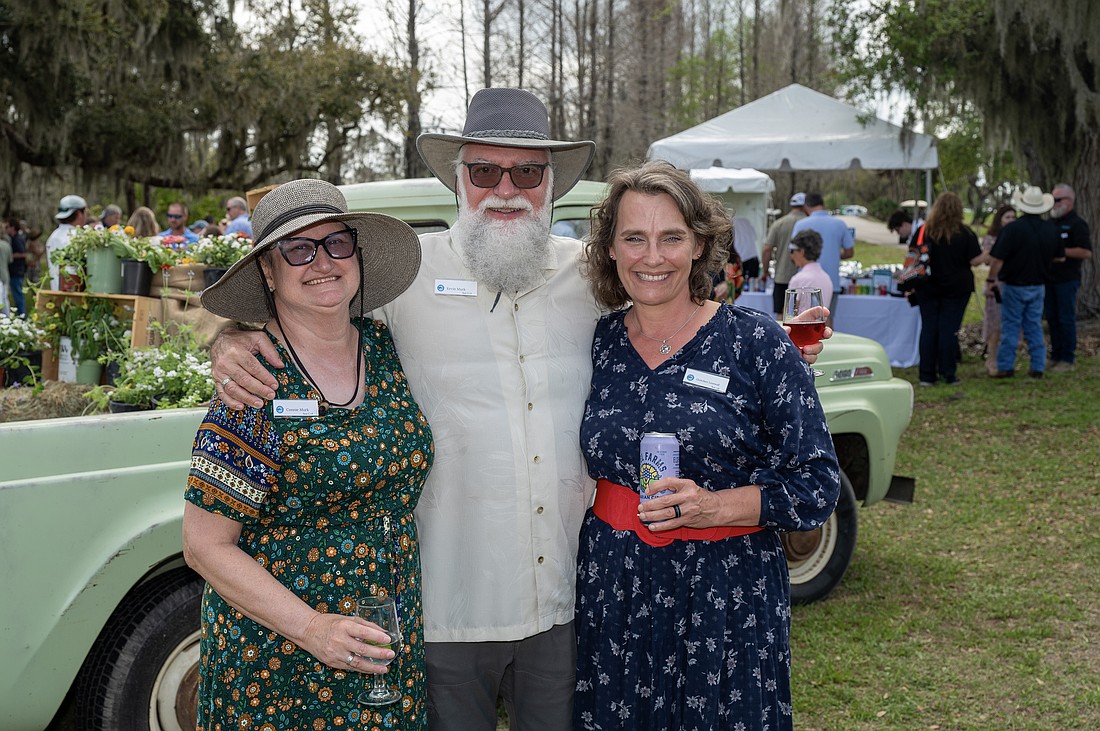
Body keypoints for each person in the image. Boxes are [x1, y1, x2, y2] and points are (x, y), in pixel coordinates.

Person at [208, 88, 829, 730]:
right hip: (449, 605)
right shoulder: (401, 276)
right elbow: (308, 295)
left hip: (563, 605)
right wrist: (230, 339)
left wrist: (774, 347)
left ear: (551, 185)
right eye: (484, 171)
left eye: (527, 172)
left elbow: (681, 320)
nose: (506, 189)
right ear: (458, 181)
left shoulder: (592, 277)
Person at [575, 161, 840, 731]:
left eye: (671, 237)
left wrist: (711, 506)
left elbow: (817, 485)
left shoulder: (755, 340)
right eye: (634, 238)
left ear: (699, 244)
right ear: (611, 249)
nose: (653, 257)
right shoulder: (595, 343)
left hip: (726, 594)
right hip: (615, 590)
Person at [182, 178, 430, 729]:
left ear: (357, 254)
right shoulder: (254, 381)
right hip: (280, 660)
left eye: (337, 243)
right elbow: (204, 547)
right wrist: (312, 628)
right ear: (267, 271)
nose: (322, 261)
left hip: (385, 637)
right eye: (298, 249)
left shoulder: (385, 349)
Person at [988, 186, 1065, 378]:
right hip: (1038, 284)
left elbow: (997, 258)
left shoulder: (1012, 229)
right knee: (1034, 326)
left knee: (1011, 326)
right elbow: (1060, 257)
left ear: (1023, 206)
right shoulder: (1051, 229)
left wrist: (991, 279)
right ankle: (1038, 365)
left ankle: (1006, 366)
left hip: (1014, 284)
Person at [914, 192, 983, 386]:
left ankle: (926, 374)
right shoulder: (965, 233)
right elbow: (975, 260)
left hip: (927, 286)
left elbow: (913, 256)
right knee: (949, 330)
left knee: (928, 329)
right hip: (956, 288)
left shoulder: (924, 231)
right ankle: (948, 372)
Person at [1045, 183, 1092, 371]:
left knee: (1066, 318)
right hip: (1048, 278)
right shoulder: (1048, 224)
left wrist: (1061, 252)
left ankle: (1067, 358)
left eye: (1057, 200)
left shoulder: (1077, 224)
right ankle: (1055, 354)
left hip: (1067, 279)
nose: (1054, 204)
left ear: (1069, 201)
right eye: (1052, 200)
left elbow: (1086, 252)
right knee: (1051, 318)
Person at [790, 192, 854, 318]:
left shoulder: (800, 224)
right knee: (826, 320)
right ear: (823, 204)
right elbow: (849, 252)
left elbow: (792, 252)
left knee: (800, 317)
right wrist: (835, 255)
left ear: (806, 207)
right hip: (831, 280)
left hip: (804, 282)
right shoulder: (839, 224)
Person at [979, 205, 1016, 375]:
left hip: (1013, 282)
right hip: (996, 284)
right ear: (999, 219)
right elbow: (987, 260)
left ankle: (1006, 359)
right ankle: (991, 359)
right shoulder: (992, 237)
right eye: (1007, 217)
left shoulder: (1018, 235)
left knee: (1009, 324)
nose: (1010, 220)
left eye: (1013, 217)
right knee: (995, 323)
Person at [760, 192, 807, 314]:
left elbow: (767, 249)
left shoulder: (779, 224)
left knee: (782, 313)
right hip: (805, 277)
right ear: (805, 206)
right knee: (803, 313)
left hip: (782, 276)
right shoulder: (809, 223)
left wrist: (765, 271)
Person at [46, 194, 88, 289]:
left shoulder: (53, 236)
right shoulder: (77, 237)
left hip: (56, 293)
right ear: (78, 213)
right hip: (73, 294)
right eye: (85, 212)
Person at [787, 228, 834, 303]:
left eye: (792, 250)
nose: (791, 255)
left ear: (802, 252)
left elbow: (791, 311)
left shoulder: (798, 279)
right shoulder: (826, 278)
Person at [4, 218, 27, 316]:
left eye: (7, 227)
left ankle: (22, 316)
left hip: (16, 272)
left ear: (13, 227)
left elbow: (23, 253)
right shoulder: (12, 239)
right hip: (14, 271)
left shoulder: (17, 239)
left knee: (18, 295)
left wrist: (10, 256)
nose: (6, 229)